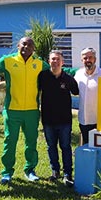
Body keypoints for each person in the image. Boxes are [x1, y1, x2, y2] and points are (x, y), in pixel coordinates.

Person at [0, 37, 43, 184]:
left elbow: (58, 70)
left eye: (30, 44)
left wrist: (80, 71)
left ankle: (30, 170)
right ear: (18, 45)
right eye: (24, 44)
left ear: (34, 48)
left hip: (32, 111)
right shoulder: (8, 61)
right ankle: (7, 172)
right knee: (10, 141)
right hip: (12, 110)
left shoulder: (39, 64)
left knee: (31, 142)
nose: (27, 47)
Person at [38, 50, 79, 186]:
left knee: (65, 147)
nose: (55, 62)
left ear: (62, 62)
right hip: (48, 119)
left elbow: (77, 91)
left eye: (57, 59)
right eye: (52, 59)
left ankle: (68, 174)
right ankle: (55, 171)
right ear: (49, 61)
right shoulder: (42, 76)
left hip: (64, 120)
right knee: (51, 147)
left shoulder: (68, 79)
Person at [74, 47, 101, 145]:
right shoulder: (78, 74)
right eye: (85, 58)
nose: (88, 60)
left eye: (90, 57)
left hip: (100, 120)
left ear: (95, 59)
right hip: (84, 119)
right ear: (82, 60)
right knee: (87, 146)